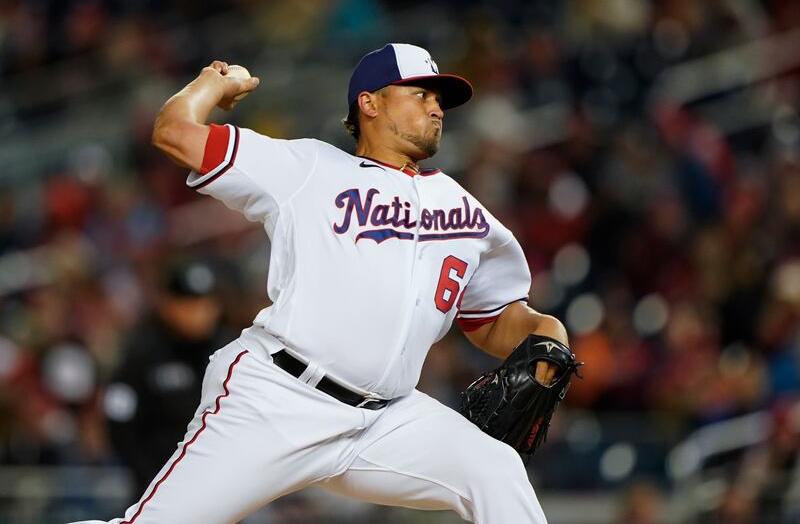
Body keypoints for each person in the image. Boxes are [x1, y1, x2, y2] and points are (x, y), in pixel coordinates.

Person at [76, 43, 569, 524]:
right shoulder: (308, 168)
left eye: (439, 99)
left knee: (495, 471)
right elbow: (175, 132)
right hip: (280, 399)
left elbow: (491, 318)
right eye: (419, 93)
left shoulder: (466, 211)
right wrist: (211, 84)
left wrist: (545, 332)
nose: (436, 107)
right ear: (369, 102)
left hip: (387, 420)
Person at [103, 258, 233, 496]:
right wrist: (153, 480)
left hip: (222, 489)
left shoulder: (232, 351)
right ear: (167, 304)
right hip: (158, 489)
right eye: (190, 304)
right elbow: (119, 424)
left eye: (206, 304)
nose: (200, 313)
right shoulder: (142, 355)